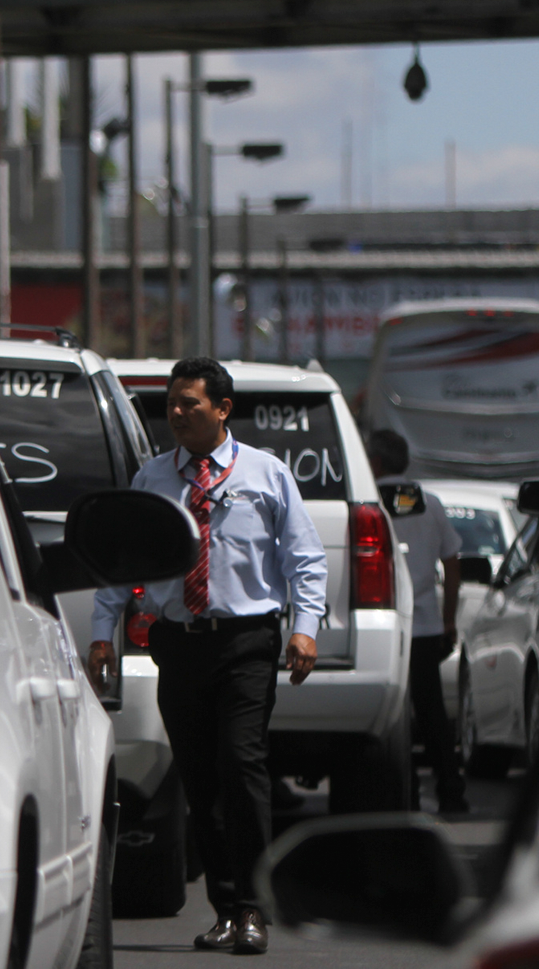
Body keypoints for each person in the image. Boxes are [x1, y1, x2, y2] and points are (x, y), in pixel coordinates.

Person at [88, 357, 326, 956]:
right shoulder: (151, 481)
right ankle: (225, 907)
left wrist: (306, 628)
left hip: (247, 642)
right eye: (171, 403)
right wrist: (101, 631)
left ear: (222, 410)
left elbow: (305, 559)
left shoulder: (266, 475)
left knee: (242, 767)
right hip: (179, 644)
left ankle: (253, 908)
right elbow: (124, 564)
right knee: (200, 778)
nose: (176, 413)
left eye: (190, 403)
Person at [365, 429, 468, 814]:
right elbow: (452, 562)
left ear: (374, 462)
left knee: (388, 717)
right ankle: (451, 794)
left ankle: (399, 796)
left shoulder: (368, 501)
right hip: (425, 626)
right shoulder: (430, 503)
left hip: (381, 627)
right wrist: (448, 620)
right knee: (432, 715)